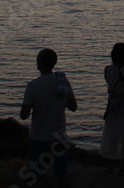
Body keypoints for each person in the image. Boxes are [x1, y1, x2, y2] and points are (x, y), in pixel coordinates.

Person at [20, 48, 77, 188]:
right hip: (59, 137)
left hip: (38, 138)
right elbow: (73, 106)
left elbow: (24, 115)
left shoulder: (32, 86)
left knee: (35, 177)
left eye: (38, 59)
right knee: (62, 176)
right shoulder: (62, 82)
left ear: (42, 63)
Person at [100, 42, 124, 174]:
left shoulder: (107, 70)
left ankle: (111, 165)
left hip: (113, 108)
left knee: (113, 137)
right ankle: (122, 165)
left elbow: (109, 84)